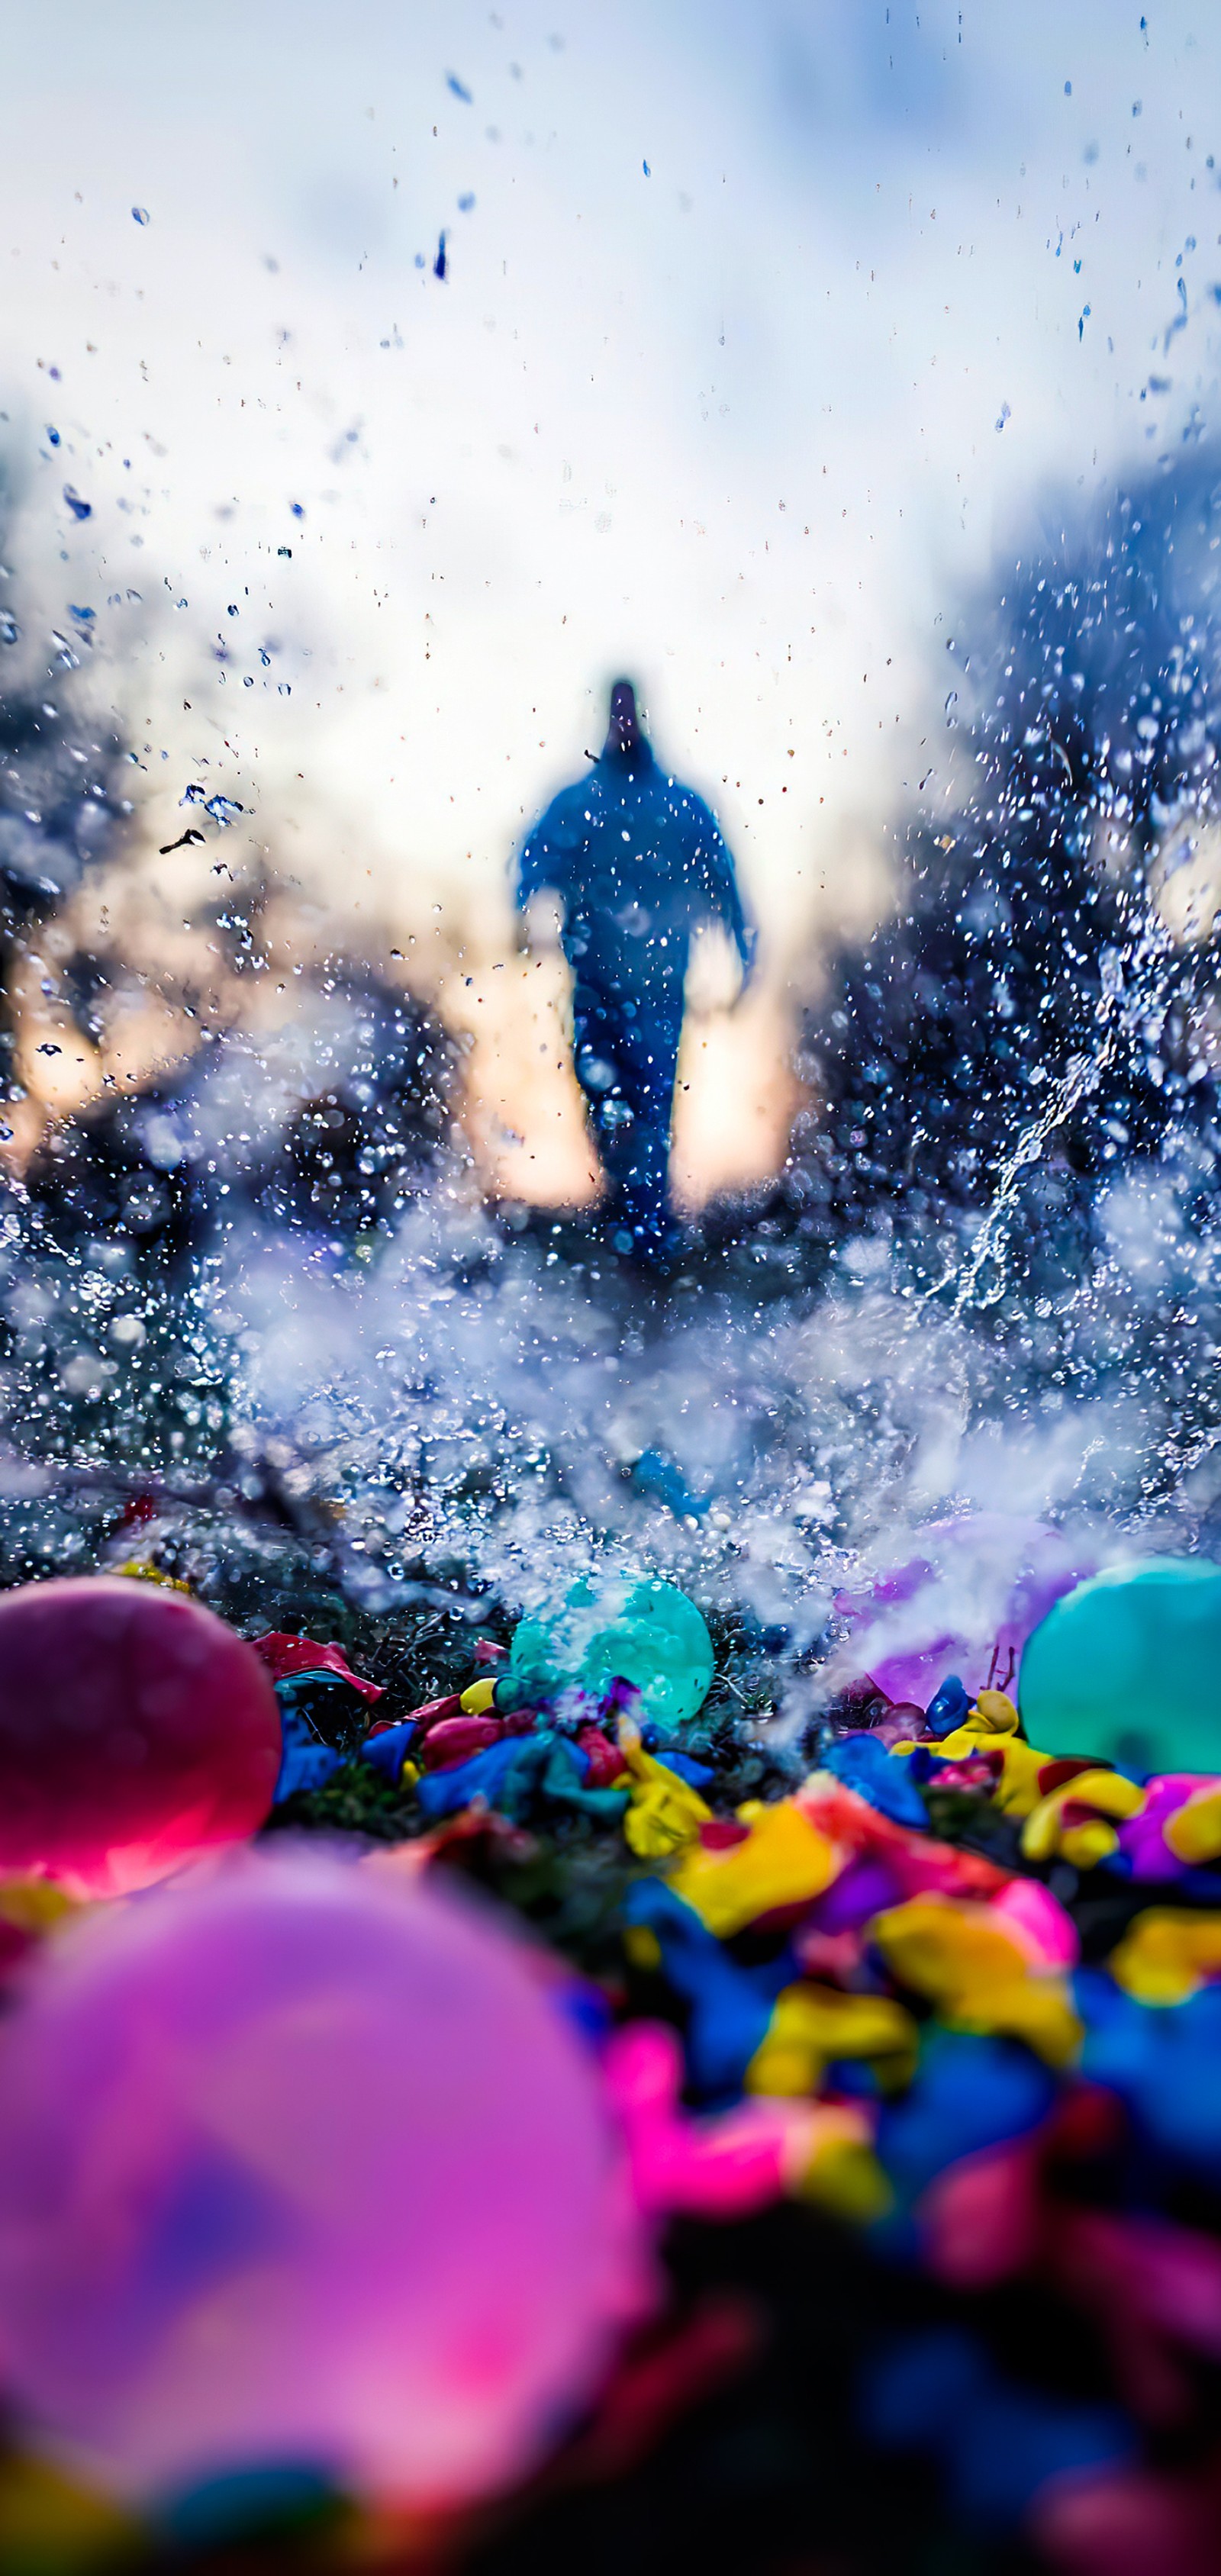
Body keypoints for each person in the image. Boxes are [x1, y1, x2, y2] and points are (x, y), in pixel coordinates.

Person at [514, 679, 754, 1249]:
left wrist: (744, 961)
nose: (623, 723)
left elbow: (723, 881)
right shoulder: (580, 802)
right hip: (594, 987)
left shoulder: (677, 805)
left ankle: (646, 1234)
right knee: (604, 1105)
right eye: (615, 712)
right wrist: (521, 917)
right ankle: (629, 1216)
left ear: (643, 717)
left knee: (648, 1108)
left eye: (630, 712)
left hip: (659, 990)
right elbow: (534, 859)